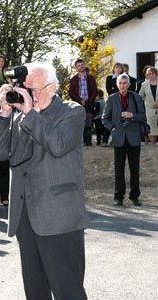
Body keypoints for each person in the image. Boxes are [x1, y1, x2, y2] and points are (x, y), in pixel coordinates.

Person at [0, 63, 88, 299]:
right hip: (25, 216)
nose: (26, 94)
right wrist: (3, 114)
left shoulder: (71, 112)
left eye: (33, 89)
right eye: (25, 88)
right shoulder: (19, 114)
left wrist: (30, 113)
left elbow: (58, 145)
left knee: (68, 290)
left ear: (51, 88)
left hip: (58, 216)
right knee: (35, 292)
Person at [102, 73, 146, 207]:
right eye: (120, 83)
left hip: (133, 137)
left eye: (125, 83)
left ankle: (135, 197)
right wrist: (113, 129)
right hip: (119, 138)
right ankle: (118, 197)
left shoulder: (136, 97)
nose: (122, 86)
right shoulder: (111, 98)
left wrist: (132, 115)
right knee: (118, 169)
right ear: (117, 85)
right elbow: (105, 118)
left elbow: (143, 117)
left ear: (129, 84)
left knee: (135, 169)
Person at [69, 58, 97, 146]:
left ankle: (88, 142)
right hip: (78, 104)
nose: (81, 67)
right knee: (79, 123)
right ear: (76, 68)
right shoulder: (73, 80)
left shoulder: (91, 78)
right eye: (78, 66)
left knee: (88, 123)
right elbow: (71, 92)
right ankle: (80, 142)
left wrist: (88, 101)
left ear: (84, 66)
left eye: (82, 65)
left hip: (89, 104)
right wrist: (79, 101)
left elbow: (94, 91)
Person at [139, 67, 158, 144]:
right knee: (151, 128)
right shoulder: (144, 84)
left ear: (156, 74)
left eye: (152, 73)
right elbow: (140, 97)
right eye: (149, 74)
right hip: (149, 110)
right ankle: (152, 145)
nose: (151, 75)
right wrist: (147, 102)